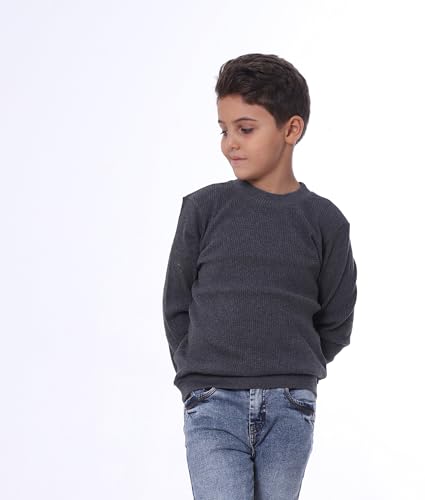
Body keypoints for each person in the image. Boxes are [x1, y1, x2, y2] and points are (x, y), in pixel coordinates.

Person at [162, 53, 358, 500]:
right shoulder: (203, 209)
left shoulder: (326, 222)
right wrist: (198, 376)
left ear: (291, 129)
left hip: (290, 406)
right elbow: (176, 305)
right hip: (212, 403)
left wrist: (294, 368)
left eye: (245, 129)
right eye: (224, 130)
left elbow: (337, 321)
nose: (230, 143)